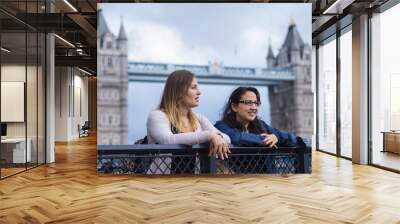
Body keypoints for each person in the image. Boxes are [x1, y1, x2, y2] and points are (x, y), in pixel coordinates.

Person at [147, 70, 231, 173]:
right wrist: (209, 135)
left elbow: (227, 139)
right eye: (193, 87)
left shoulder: (199, 119)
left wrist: (218, 137)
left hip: (192, 184)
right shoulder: (158, 116)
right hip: (160, 184)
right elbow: (168, 140)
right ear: (178, 91)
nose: (199, 92)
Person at [214, 87, 298, 173]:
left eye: (256, 103)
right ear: (234, 106)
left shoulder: (262, 125)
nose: (254, 107)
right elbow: (237, 137)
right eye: (248, 103)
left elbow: (294, 139)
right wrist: (266, 141)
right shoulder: (221, 126)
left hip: (269, 181)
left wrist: (277, 137)